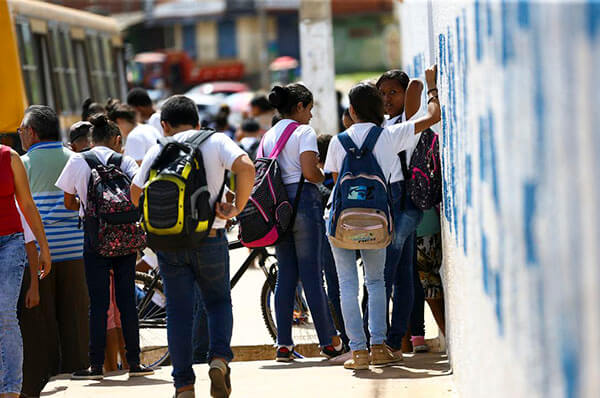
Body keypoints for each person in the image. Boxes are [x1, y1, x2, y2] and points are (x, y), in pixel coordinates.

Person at [130, 95, 255, 398]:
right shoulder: (215, 141)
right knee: (217, 303)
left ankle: (183, 384)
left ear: (164, 125)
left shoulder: (159, 148)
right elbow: (246, 166)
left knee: (178, 312)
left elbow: (135, 194)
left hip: (169, 244)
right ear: (198, 122)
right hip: (210, 238)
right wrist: (235, 207)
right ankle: (219, 359)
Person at [323, 65, 440, 370]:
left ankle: (358, 351)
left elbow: (335, 179)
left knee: (346, 285)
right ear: (380, 109)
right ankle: (379, 347)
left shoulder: (338, 141)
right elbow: (432, 117)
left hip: (341, 221)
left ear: (351, 110)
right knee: (376, 283)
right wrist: (432, 88)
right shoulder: (389, 135)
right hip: (378, 221)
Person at [56, 114, 153, 380]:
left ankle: (96, 366)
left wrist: (89, 208)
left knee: (98, 304)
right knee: (126, 303)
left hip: (95, 240)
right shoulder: (126, 162)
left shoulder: (78, 160)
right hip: (124, 238)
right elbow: (138, 191)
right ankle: (134, 362)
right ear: (117, 140)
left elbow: (68, 201)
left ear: (91, 140)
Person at [262, 84, 343, 362]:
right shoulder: (303, 132)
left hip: (278, 210)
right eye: (309, 108)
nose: (310, 115)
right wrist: (324, 175)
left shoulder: (268, 135)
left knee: (285, 276)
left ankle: (283, 344)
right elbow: (310, 172)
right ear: (299, 107)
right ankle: (329, 342)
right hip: (305, 205)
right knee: (312, 276)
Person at [17, 106, 90, 396]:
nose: (20, 134)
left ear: (32, 132)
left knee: (38, 323)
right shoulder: (76, 159)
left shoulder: (22, 164)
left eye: (22, 129)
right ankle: (79, 376)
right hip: (75, 250)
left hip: (38, 256)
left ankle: (36, 384)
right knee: (75, 319)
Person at [375, 69, 427, 357]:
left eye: (393, 92)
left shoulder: (407, 121)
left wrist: (420, 87)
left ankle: (383, 341)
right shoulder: (386, 124)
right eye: (381, 93)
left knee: (383, 274)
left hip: (401, 203)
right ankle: (400, 340)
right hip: (400, 204)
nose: (386, 99)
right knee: (403, 275)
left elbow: (417, 83)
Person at [1, 143, 51, 398]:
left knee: (5, 312)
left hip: (10, 242)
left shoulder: (9, 157)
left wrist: (44, 247)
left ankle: (10, 390)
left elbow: (28, 204)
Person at [316, 133, 348, 348]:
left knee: (335, 287)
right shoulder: (343, 172)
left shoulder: (318, 180)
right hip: (351, 229)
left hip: (330, 234)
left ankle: (346, 337)